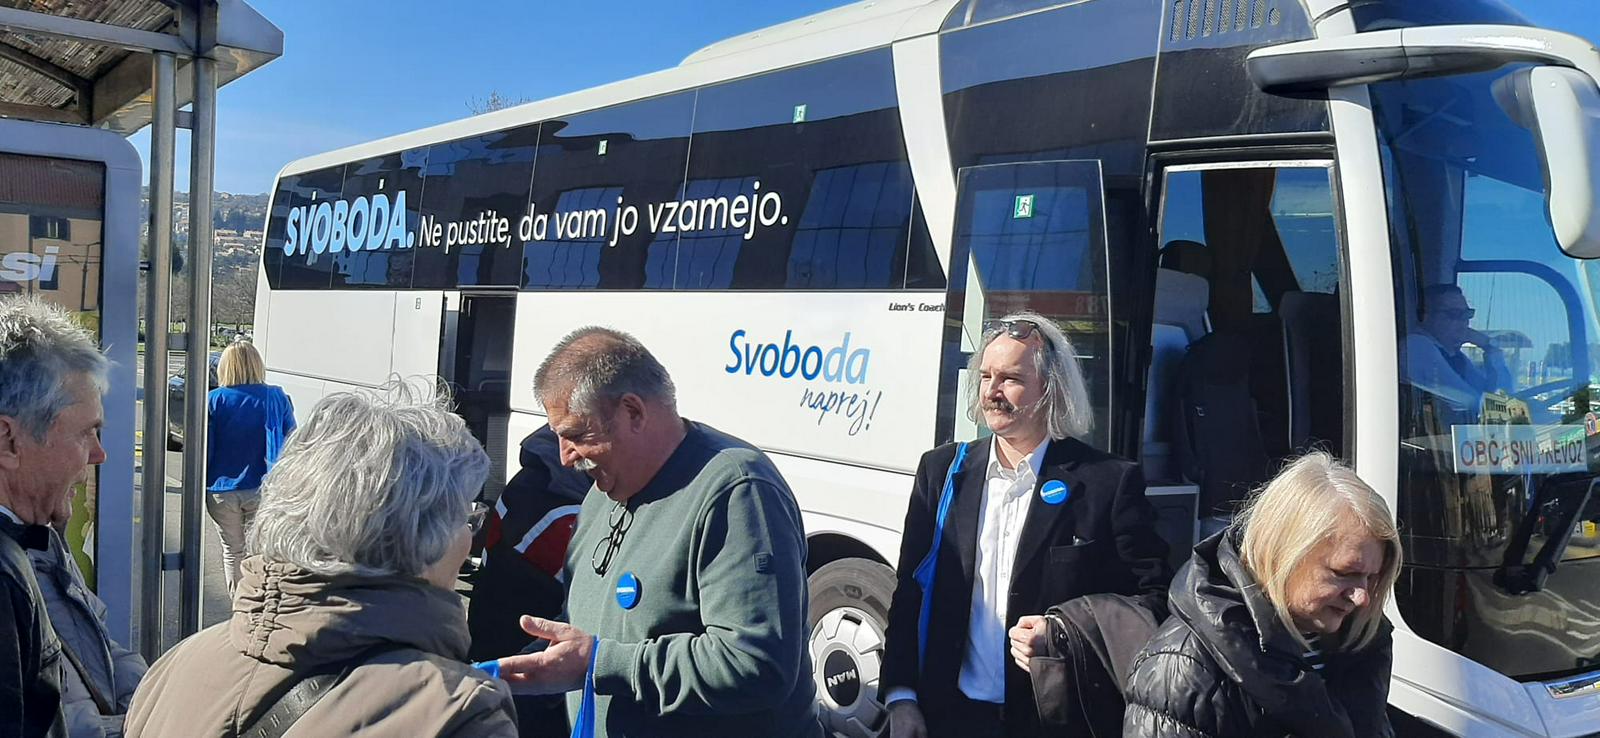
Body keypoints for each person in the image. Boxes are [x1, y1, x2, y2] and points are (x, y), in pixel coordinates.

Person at [125, 383, 518, 737]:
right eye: (467, 518)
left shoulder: (175, 666)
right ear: (421, 534)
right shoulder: (460, 715)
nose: (470, 536)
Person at [494, 327, 820, 738]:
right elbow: (590, 625)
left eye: (576, 435)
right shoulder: (605, 491)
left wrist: (600, 662)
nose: (564, 458)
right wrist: (516, 672)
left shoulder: (737, 490)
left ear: (633, 412)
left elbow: (755, 664)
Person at [881, 312, 1171, 738]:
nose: (992, 391)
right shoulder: (942, 472)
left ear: (1051, 388)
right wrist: (901, 696)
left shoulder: (1107, 483)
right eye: (985, 376)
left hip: (1056, 720)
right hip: (951, 716)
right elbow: (910, 590)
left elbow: (1156, 601)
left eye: (1011, 378)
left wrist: (1065, 631)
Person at [1122, 452, 1402, 738]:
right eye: (1343, 573)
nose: (1362, 597)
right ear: (1283, 555)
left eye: (1371, 577)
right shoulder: (1185, 668)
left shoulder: (1354, 645)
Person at [0, 295, 109, 738]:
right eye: (87, 433)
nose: (99, 455)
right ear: (8, 441)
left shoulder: (38, 536)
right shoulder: (5, 577)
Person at [468, 425, 587, 737]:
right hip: (523, 666)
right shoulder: (559, 511)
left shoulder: (538, 480)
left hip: (499, 644)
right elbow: (595, 593)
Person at [29, 490, 147, 737]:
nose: (83, 473)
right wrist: (132, 725)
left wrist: (145, 699)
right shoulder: (17, 558)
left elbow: (100, 644)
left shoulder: (47, 541)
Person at [204, 341, 295, 593]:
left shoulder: (214, 400)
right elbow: (292, 442)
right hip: (263, 488)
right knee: (260, 553)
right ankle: (260, 603)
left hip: (221, 490)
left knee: (232, 551)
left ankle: (238, 605)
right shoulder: (276, 397)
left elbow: (205, 447)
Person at [1404, 284, 1512, 414]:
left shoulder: (1456, 357)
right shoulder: (1418, 346)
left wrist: (1490, 348)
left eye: (1467, 314)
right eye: (1454, 314)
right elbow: (1472, 402)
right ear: (1426, 316)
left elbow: (1503, 398)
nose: (1464, 322)